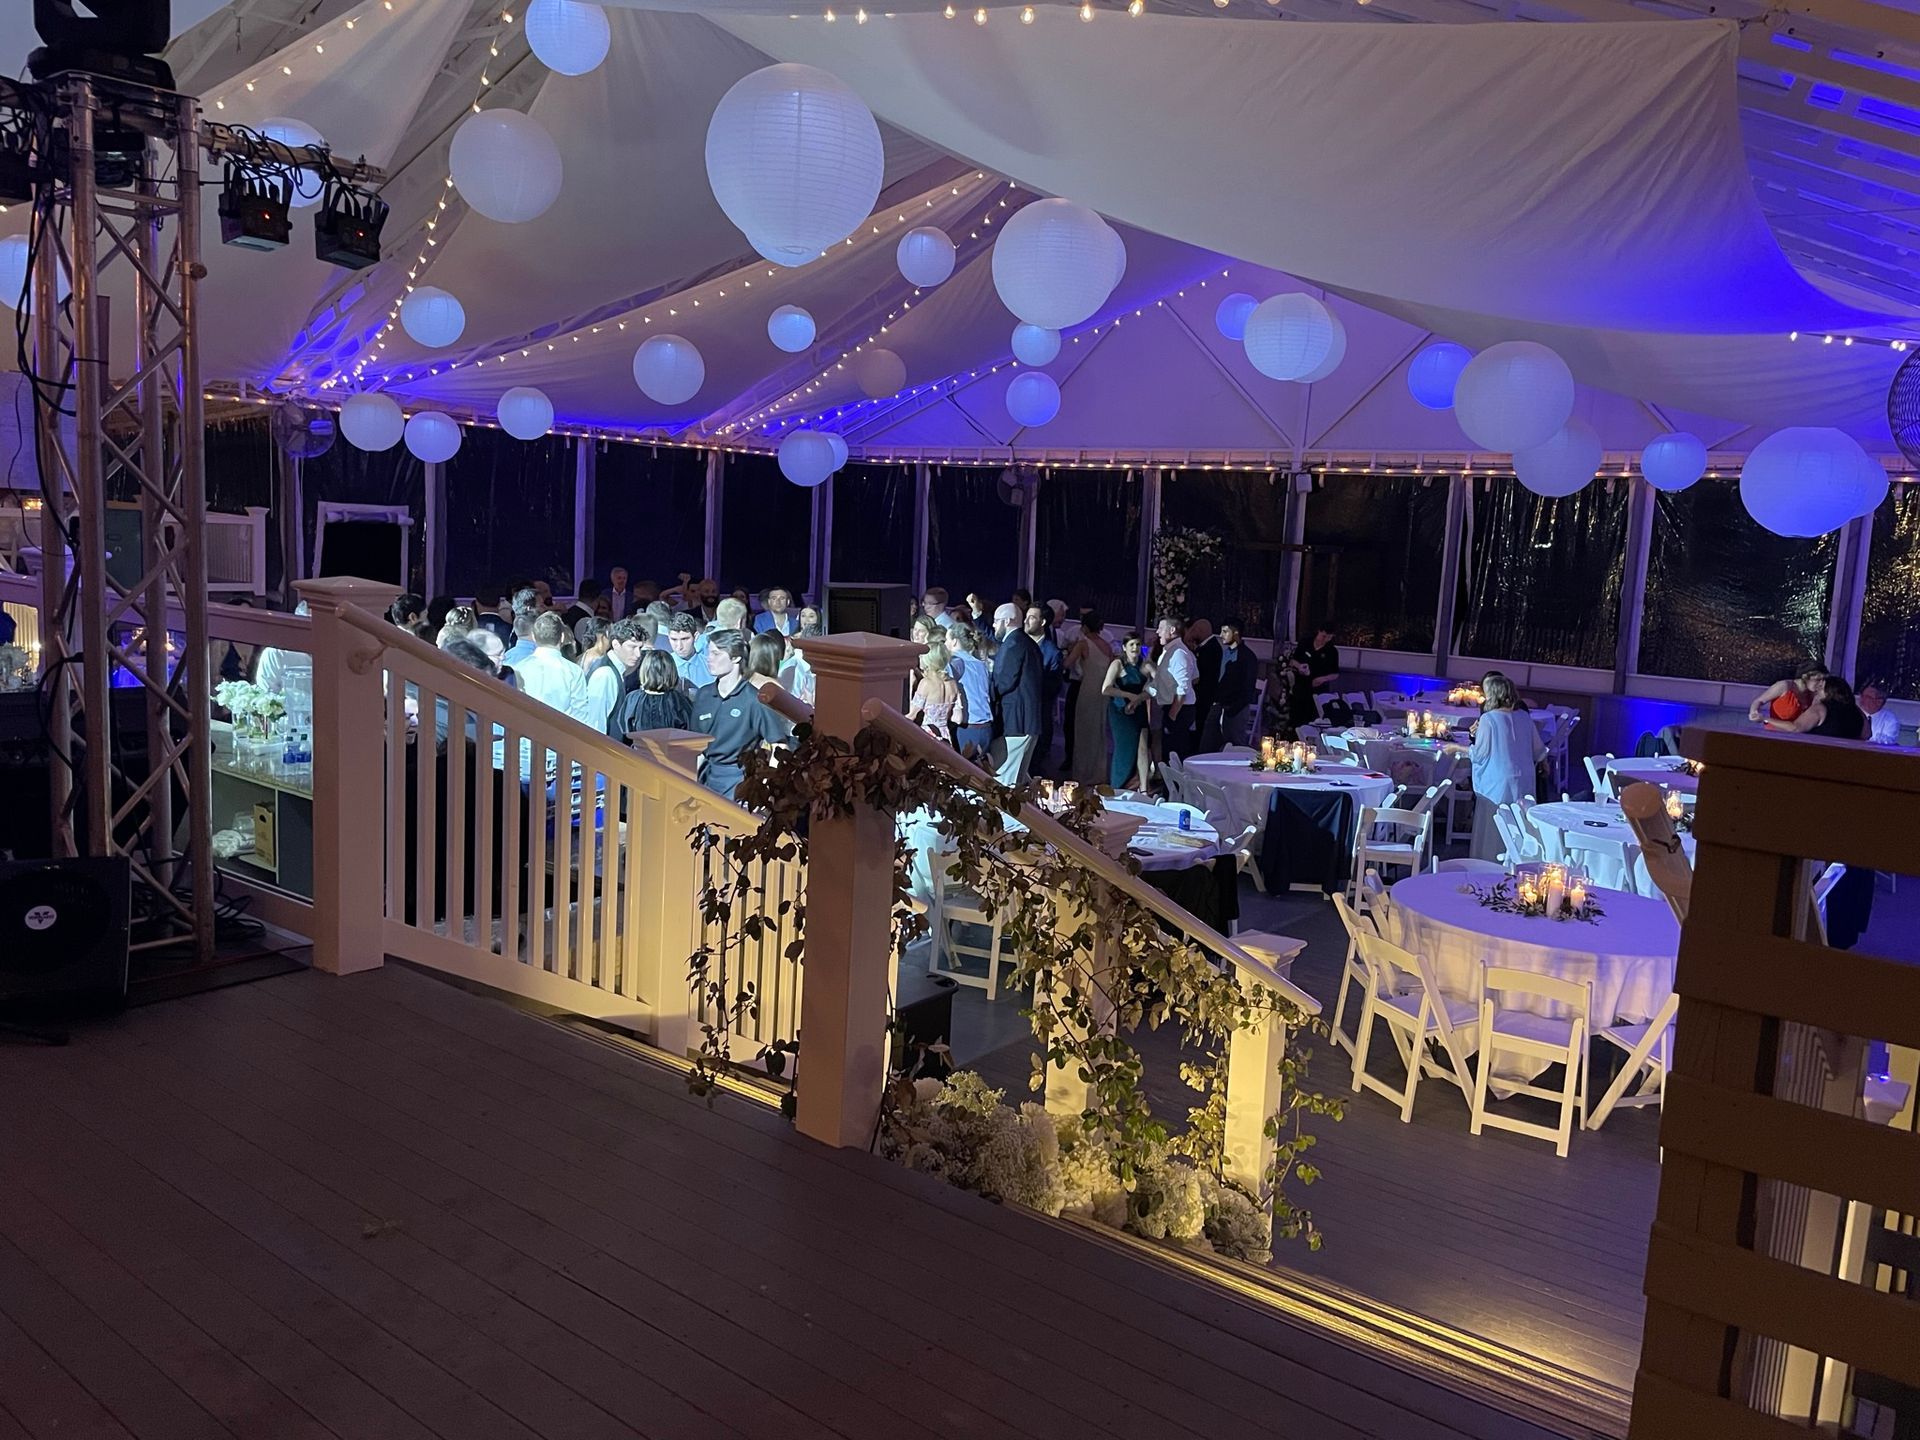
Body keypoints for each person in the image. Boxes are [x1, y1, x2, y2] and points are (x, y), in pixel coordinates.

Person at [691, 630, 787, 802]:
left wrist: (766, 787)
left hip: (739, 780)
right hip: (706, 778)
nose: (709, 658)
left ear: (735, 658)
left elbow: (779, 744)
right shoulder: (703, 695)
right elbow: (695, 748)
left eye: (716, 653)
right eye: (708, 653)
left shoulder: (754, 699)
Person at [1468, 671, 1547, 860]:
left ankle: (1490, 861)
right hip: (1524, 778)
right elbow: (1538, 750)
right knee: (1519, 824)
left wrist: (1469, 745)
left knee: (1495, 826)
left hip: (1497, 781)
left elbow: (1480, 755)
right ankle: (1518, 861)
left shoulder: (1488, 719)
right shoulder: (1524, 718)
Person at [989, 602, 1043, 785]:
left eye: (996, 621)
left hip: (1016, 722)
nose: (994, 625)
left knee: (1005, 780)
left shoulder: (1013, 644)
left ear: (1007, 620)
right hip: (1027, 721)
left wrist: (986, 691)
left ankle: (1003, 814)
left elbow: (1004, 681)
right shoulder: (1029, 643)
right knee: (1018, 780)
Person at [1064, 609, 1115, 787]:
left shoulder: (1083, 644)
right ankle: (1098, 772)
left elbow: (1067, 663)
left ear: (1085, 627)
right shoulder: (1107, 645)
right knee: (1099, 732)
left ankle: (1082, 774)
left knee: (1083, 731)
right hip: (1103, 693)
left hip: (1087, 690)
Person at [1102, 633, 1155, 789]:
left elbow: (1158, 687)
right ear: (1124, 647)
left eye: (1138, 644)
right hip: (1120, 710)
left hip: (1138, 710)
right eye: (1131, 644)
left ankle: (1144, 787)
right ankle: (1118, 785)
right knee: (1124, 747)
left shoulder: (1145, 665)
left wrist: (1139, 698)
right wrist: (1129, 695)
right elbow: (1106, 689)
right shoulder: (1117, 664)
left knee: (1143, 746)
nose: (1135, 648)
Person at [1197, 620, 1258, 751]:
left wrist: (1233, 708)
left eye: (1225, 632)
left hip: (1236, 708)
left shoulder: (1247, 657)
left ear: (1235, 633)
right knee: (1207, 744)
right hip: (1217, 705)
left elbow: (1248, 688)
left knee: (1236, 746)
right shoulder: (1223, 653)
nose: (1221, 635)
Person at [610, 648, 693, 740]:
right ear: (672, 671)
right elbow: (690, 732)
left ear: (645, 670)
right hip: (672, 752)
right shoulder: (680, 701)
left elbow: (623, 730)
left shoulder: (633, 699)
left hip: (637, 752)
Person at [587, 617, 648, 732]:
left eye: (640, 647)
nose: (638, 654)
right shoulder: (605, 674)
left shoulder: (611, 671)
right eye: (632, 647)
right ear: (615, 644)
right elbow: (595, 723)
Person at [1150, 615, 1198, 760]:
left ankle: (1174, 783)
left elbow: (1183, 688)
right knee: (1170, 751)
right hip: (1174, 707)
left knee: (1174, 753)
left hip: (1178, 710)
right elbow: (1195, 677)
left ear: (1171, 630)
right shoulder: (1174, 651)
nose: (1157, 632)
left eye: (1161, 628)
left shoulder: (1178, 653)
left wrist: (1172, 715)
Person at [947, 624, 995, 760]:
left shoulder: (955, 662)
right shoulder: (981, 665)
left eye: (946, 640)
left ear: (954, 641)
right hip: (986, 729)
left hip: (968, 729)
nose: (945, 644)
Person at [1770, 674, 1869, 740]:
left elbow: (1796, 728)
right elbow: (1866, 734)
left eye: (1821, 687)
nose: (1817, 689)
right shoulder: (1857, 711)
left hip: (1820, 756)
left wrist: (1767, 720)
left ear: (1830, 691)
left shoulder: (1820, 709)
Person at [1026, 605, 1063, 773]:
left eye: (1032, 617)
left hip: (1038, 713)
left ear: (1043, 622)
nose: (1026, 621)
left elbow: (1053, 686)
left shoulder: (1052, 652)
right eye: (1026, 616)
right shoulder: (1018, 642)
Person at [907, 640, 963, 743]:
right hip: (945, 735)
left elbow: (911, 715)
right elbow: (957, 718)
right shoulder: (953, 684)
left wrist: (910, 685)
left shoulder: (926, 684)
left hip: (928, 735)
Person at [1288, 622, 1342, 726]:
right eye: (1324, 636)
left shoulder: (1332, 651)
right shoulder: (1305, 643)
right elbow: (1293, 660)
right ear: (1319, 631)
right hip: (1301, 687)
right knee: (1296, 717)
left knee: (1313, 719)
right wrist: (1299, 666)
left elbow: (1335, 673)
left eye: (1329, 638)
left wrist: (1323, 679)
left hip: (1319, 690)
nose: (1325, 639)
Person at [1749, 662, 1827, 725]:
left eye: (1823, 680)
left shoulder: (1812, 694)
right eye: (1818, 680)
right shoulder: (1784, 686)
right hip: (1775, 733)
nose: (1821, 684)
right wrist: (1754, 712)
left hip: (1799, 736)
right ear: (1805, 677)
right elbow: (1760, 701)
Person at [666, 612, 711, 693]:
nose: (679, 646)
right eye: (674, 639)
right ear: (668, 638)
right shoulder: (662, 666)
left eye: (685, 639)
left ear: (696, 636)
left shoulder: (710, 665)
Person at [1859, 681, 1902, 745]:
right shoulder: (1852, 714)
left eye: (1878, 698)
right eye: (1869, 697)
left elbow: (1888, 742)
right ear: (1861, 698)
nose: (1874, 701)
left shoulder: (1891, 719)